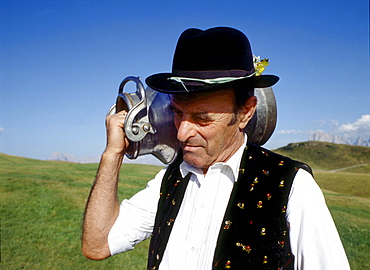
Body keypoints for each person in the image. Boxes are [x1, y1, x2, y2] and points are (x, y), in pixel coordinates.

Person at [82, 27, 350, 270]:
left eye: (202, 118)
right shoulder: (171, 179)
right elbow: (97, 245)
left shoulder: (290, 186)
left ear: (245, 113)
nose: (182, 131)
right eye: (178, 113)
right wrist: (112, 155)